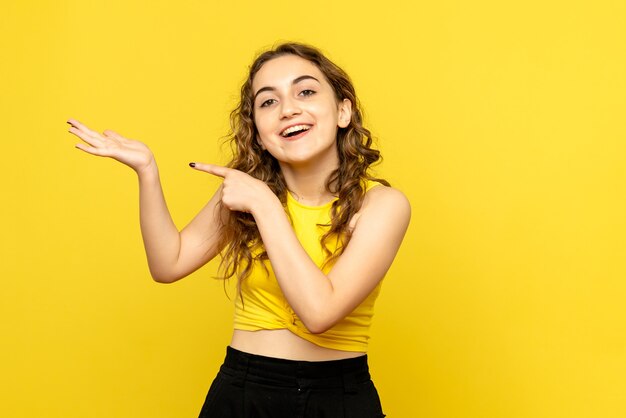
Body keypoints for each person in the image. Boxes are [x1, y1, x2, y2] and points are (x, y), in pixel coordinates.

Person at [68, 42, 410, 417]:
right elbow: (169, 264)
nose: (288, 109)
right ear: (259, 133)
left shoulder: (382, 205)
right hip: (243, 391)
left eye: (306, 91)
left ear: (343, 110)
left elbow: (320, 312)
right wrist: (147, 171)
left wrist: (264, 205)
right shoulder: (247, 190)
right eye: (268, 102)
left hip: (339, 397)